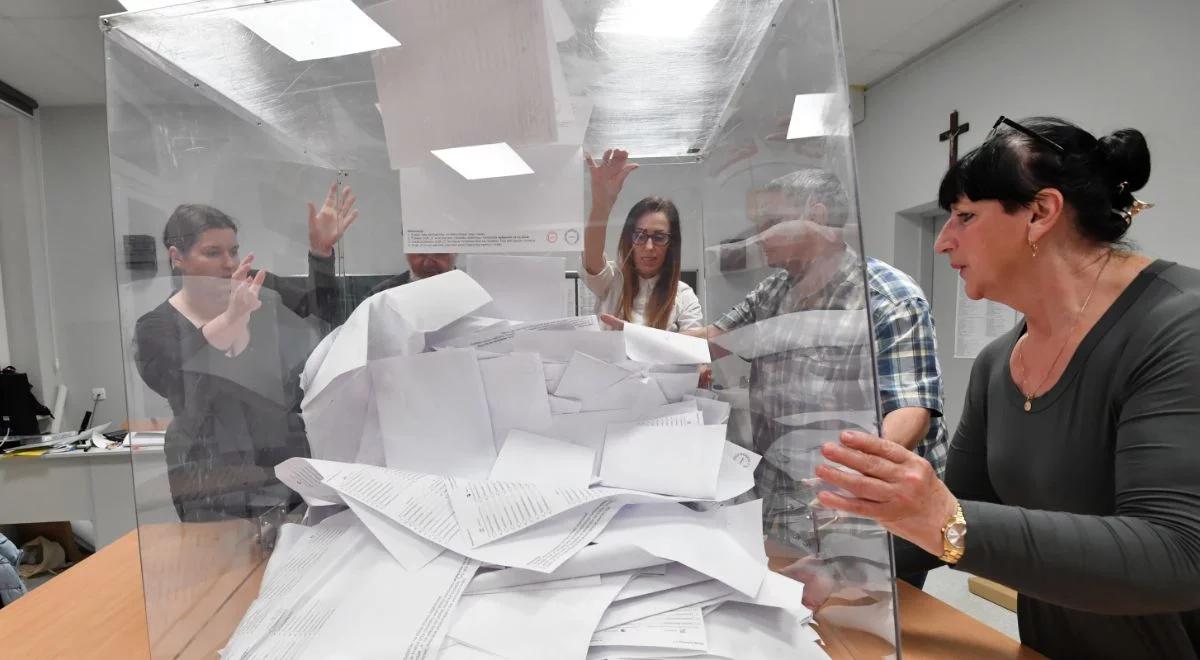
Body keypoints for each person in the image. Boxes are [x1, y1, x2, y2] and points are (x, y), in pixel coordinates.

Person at [814, 116, 1200, 657]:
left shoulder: (1181, 325)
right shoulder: (999, 362)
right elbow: (957, 510)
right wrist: (837, 570)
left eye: (965, 217)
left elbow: (1179, 554)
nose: (943, 242)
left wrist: (944, 518)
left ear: (1041, 212)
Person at [671, 170, 946, 561]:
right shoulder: (774, 290)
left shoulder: (888, 300)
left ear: (815, 216)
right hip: (784, 493)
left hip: (857, 507)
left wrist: (846, 477)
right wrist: (625, 340)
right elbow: (711, 340)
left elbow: (910, 411)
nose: (758, 238)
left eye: (769, 224)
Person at [134, 182, 358, 521]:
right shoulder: (156, 325)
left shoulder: (257, 287)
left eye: (233, 251)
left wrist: (321, 253)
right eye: (213, 253)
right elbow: (175, 381)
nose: (228, 263)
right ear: (176, 257)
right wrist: (230, 319)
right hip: (210, 475)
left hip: (280, 463)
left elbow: (327, 309)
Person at [584, 149, 703, 331]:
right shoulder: (613, 282)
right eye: (640, 236)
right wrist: (601, 205)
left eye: (659, 237)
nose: (649, 247)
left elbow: (695, 353)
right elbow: (592, 259)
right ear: (629, 239)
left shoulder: (683, 295)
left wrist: (632, 334)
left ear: (672, 243)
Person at [368, 252, 457, 295]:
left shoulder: (469, 293)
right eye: (420, 254)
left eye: (439, 254)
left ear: (456, 253)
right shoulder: (382, 295)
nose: (428, 263)